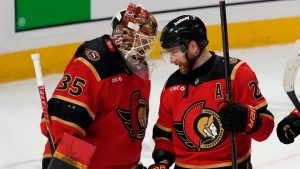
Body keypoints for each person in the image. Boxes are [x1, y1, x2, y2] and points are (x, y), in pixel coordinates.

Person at [40, 3, 158, 169]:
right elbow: (66, 121)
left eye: (148, 43)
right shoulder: (94, 61)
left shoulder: (140, 68)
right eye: (141, 41)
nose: (145, 48)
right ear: (123, 35)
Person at [149, 15, 274, 169]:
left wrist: (247, 117)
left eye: (174, 53)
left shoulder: (235, 73)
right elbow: (164, 133)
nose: (171, 60)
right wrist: (163, 161)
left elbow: (266, 127)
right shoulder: (171, 85)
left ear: (193, 47)